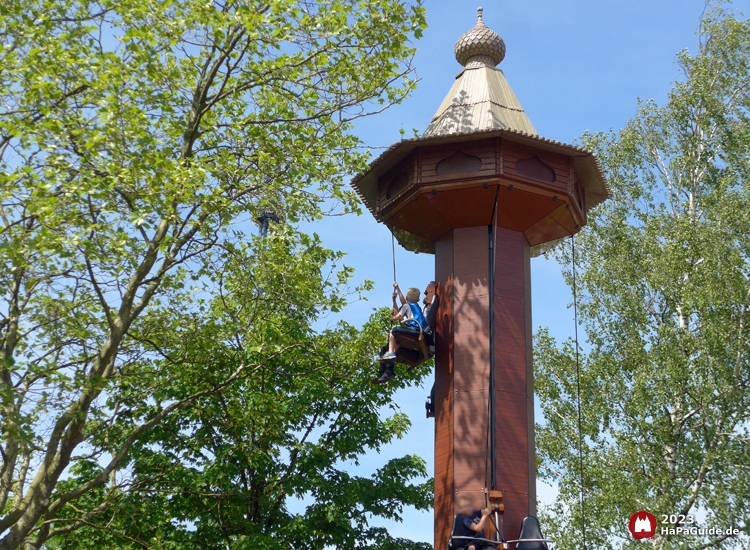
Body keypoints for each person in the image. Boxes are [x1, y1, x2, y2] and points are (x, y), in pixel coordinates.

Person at [372, 281, 436, 385]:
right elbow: (401, 313)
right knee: (385, 348)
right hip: (416, 329)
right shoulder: (416, 308)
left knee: (393, 332)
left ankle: (390, 356)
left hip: (416, 330)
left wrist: (391, 317)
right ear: (419, 299)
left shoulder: (408, 306)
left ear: (407, 298)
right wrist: (394, 300)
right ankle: (385, 372)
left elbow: (398, 315)